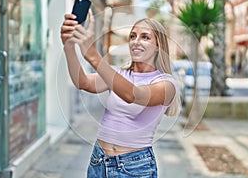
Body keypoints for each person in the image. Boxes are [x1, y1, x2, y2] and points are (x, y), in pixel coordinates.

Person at [60, 10, 179, 177]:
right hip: (99, 160)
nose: (136, 42)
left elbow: (132, 94)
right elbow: (83, 82)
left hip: (134, 167)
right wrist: (69, 46)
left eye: (145, 37)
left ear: (158, 45)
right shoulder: (118, 74)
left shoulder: (166, 84)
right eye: (132, 36)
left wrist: (92, 55)